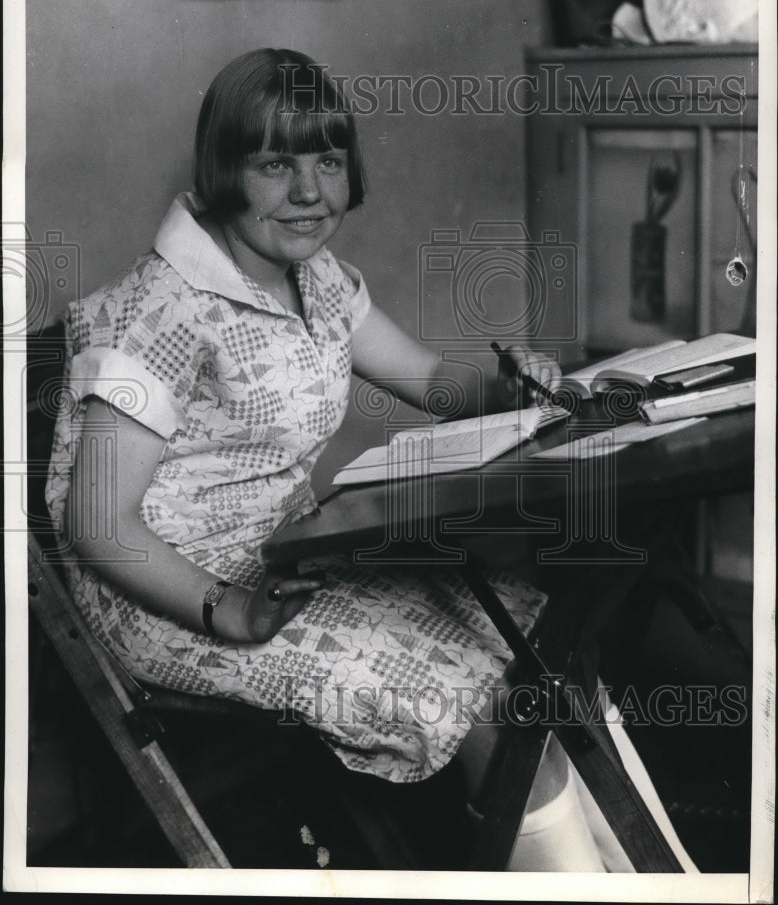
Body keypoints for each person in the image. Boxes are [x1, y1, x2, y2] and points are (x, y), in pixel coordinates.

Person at [45, 48, 692, 872]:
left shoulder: (314, 278)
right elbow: (96, 521)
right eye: (275, 163)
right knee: (487, 705)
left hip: (285, 557)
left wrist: (503, 388)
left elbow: (425, 378)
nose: (309, 191)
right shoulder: (159, 308)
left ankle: (659, 882)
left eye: (327, 159)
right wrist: (230, 609)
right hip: (172, 597)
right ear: (223, 170)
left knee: (546, 654)